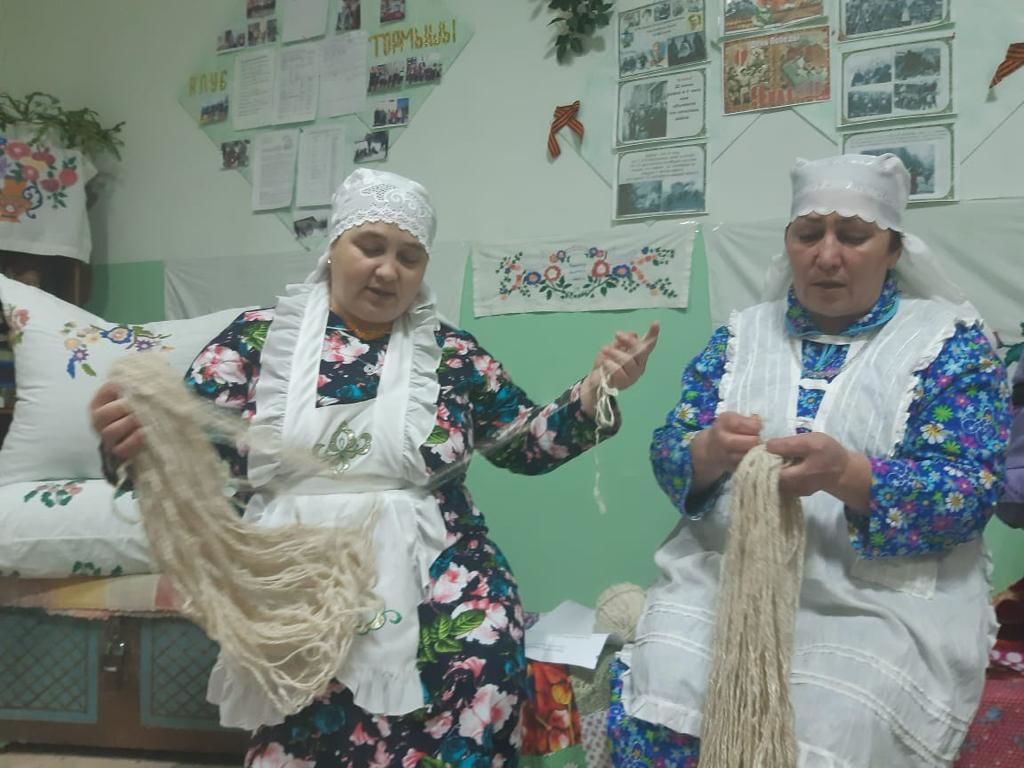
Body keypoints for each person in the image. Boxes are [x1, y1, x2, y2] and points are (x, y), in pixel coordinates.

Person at [90, 169, 658, 767]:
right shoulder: (257, 342)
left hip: (443, 575)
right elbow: (188, 464)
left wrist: (597, 391)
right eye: (371, 247)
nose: (389, 270)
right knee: (307, 725)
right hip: (302, 581)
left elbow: (523, 444)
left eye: (409, 256)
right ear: (333, 246)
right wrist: (128, 442)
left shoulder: (454, 354)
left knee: (481, 670)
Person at [607, 153, 1011, 767]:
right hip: (725, 581)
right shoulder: (741, 337)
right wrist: (705, 452)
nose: (827, 255)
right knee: (662, 687)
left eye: (852, 236)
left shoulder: (949, 345)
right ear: (789, 244)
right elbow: (671, 449)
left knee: (833, 726)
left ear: (893, 249)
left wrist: (852, 476)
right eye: (808, 235)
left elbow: (968, 490)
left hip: (876, 602)